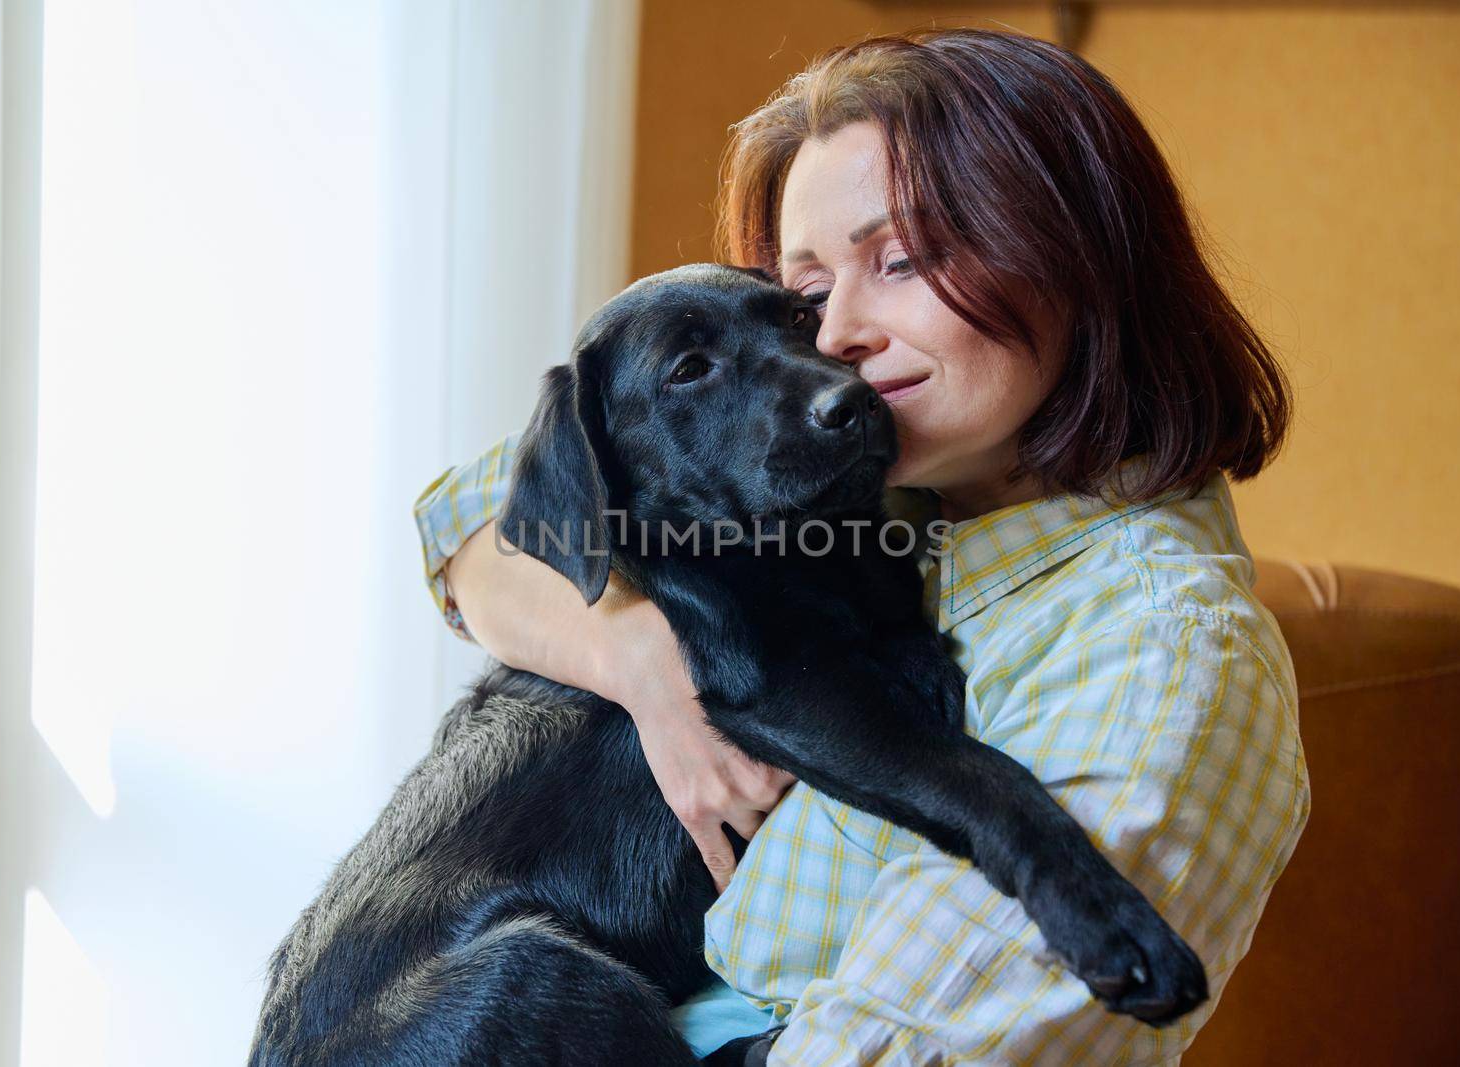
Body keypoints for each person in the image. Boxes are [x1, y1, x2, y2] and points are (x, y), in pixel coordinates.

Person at [413, 28, 1309, 1065]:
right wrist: (640, 660)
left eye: (900, 260)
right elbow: (469, 516)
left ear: (1076, 257)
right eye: (804, 293)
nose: (833, 336)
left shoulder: (1153, 654)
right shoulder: (880, 495)